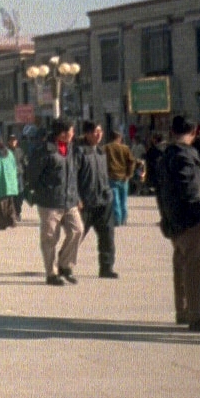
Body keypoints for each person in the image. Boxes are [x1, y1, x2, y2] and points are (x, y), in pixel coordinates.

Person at [155, 116, 200, 332]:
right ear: (195, 132)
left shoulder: (165, 156)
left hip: (173, 219)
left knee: (181, 263)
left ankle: (183, 310)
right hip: (190, 219)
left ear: (172, 131)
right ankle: (196, 316)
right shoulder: (185, 156)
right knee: (197, 267)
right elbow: (189, 189)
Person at [26, 119, 82, 286]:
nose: (73, 134)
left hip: (69, 200)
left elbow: (73, 175)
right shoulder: (45, 151)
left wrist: (77, 197)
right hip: (49, 202)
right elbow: (31, 175)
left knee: (77, 230)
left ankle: (65, 264)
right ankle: (51, 274)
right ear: (62, 133)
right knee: (50, 238)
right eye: (71, 131)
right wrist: (41, 192)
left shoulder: (72, 149)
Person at [76, 121, 117, 278]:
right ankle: (63, 264)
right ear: (87, 133)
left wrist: (109, 194)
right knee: (76, 236)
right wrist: (77, 198)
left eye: (100, 131)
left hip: (103, 201)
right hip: (85, 202)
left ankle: (106, 268)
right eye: (95, 131)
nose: (99, 134)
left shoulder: (101, 152)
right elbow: (72, 177)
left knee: (107, 236)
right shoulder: (79, 152)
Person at [104, 129, 135, 226]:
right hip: (124, 178)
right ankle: (124, 219)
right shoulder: (125, 148)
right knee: (123, 200)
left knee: (115, 200)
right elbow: (132, 162)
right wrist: (129, 174)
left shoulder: (106, 148)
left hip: (112, 177)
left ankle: (117, 220)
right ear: (119, 138)